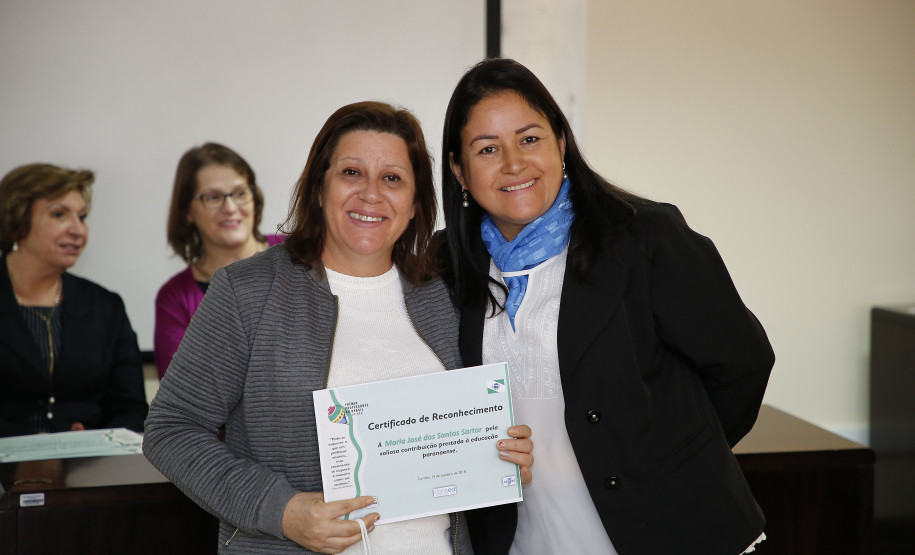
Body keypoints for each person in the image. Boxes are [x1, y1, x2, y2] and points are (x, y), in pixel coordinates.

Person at [143, 101, 533, 554]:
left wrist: (499, 459)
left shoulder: (445, 295)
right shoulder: (247, 291)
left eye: (392, 178)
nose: (371, 194)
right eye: (351, 173)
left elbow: (462, 437)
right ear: (318, 189)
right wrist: (282, 511)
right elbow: (171, 430)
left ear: (414, 204)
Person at [438, 58, 775, 555]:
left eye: (529, 138)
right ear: (459, 171)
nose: (513, 163)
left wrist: (666, 458)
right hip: (529, 540)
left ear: (560, 142)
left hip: (671, 534)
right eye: (487, 149)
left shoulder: (644, 238)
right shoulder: (448, 267)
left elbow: (743, 364)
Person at [0, 163, 148, 438]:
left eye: (82, 216)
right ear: (16, 219)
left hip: (88, 470)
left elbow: (132, 408)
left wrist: (99, 441)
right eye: (60, 215)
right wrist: (27, 447)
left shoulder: (106, 306)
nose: (77, 229)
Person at [154, 142, 284, 379]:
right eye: (213, 197)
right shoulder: (175, 298)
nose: (231, 207)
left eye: (240, 193)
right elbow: (182, 392)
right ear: (188, 212)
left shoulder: (299, 253)